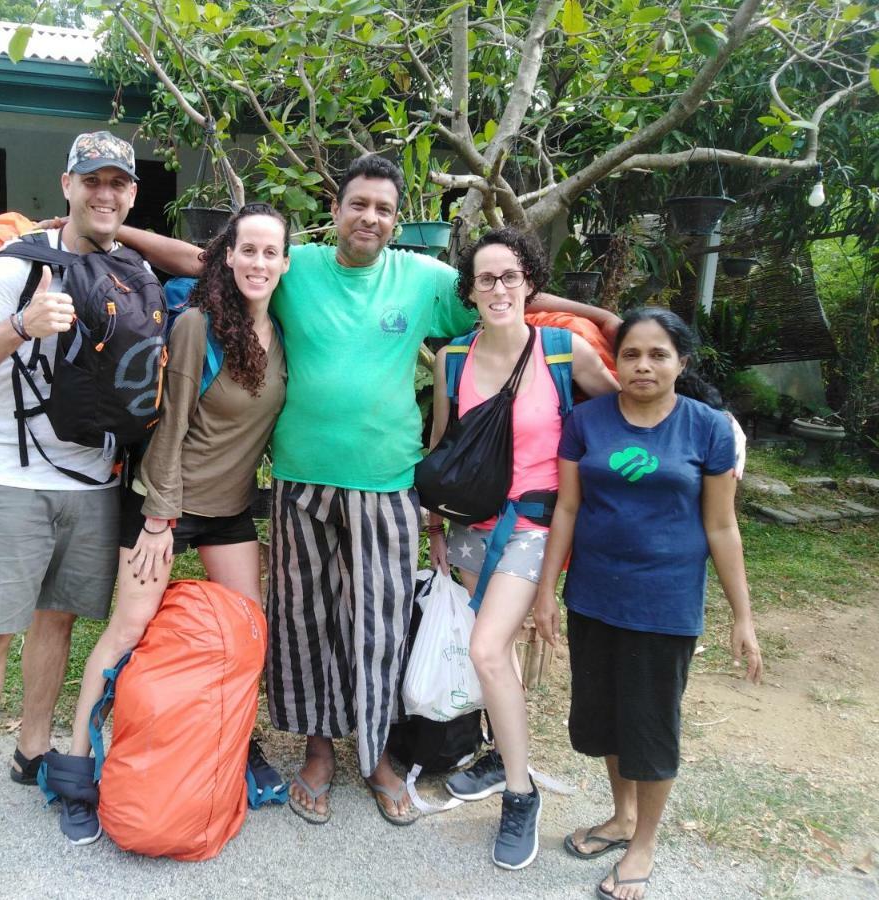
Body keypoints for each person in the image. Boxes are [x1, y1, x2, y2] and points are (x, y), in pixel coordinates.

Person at [116, 154, 621, 827]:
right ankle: (319, 752)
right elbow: (199, 259)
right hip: (300, 482)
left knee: (378, 629)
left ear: (396, 219)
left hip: (388, 486)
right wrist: (119, 233)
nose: (371, 218)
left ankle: (378, 755)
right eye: (360, 204)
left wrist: (601, 317)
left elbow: (506, 291)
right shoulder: (301, 269)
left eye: (384, 208)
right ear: (336, 210)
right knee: (303, 624)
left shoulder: (423, 280)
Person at [40, 202, 290, 845]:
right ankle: (76, 769)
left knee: (247, 638)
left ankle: (230, 750)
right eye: (248, 250)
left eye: (271, 252)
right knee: (126, 631)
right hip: (165, 506)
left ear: (285, 263)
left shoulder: (281, 333)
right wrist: (157, 521)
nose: (259, 262)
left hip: (230, 508)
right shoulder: (198, 327)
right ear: (226, 258)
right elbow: (171, 430)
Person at [0, 131, 140, 867]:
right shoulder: (16, 265)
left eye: (119, 183)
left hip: (93, 482)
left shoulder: (131, 271)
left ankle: (31, 747)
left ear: (132, 196)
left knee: (57, 624)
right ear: (68, 185)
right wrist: (20, 326)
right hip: (10, 479)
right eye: (93, 181)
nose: (105, 194)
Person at [532, 307, 764, 899]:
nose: (643, 365)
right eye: (632, 353)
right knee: (606, 718)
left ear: (681, 363)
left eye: (658, 354)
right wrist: (546, 594)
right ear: (617, 360)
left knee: (651, 727)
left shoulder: (708, 427)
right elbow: (567, 508)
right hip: (593, 597)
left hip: (664, 605)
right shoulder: (586, 420)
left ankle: (644, 844)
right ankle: (623, 816)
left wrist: (743, 615)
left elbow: (721, 527)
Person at [424, 228, 619, 869]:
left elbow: (639, 405)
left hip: (533, 529)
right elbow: (443, 448)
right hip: (468, 529)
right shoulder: (454, 357)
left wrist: (717, 422)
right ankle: (495, 750)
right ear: (470, 292)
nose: (499, 288)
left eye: (510, 276)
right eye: (486, 279)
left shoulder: (564, 353)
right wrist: (432, 530)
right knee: (492, 655)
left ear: (530, 282)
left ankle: (518, 792)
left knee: (485, 649)